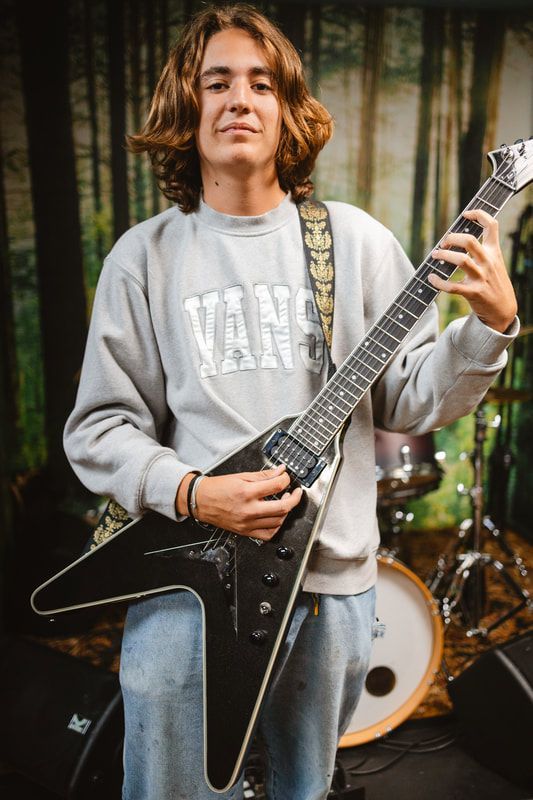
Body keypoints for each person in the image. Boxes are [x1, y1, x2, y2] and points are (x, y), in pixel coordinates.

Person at [63, 4, 518, 799]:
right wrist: (195, 492)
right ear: (186, 107)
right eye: (216, 82)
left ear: (287, 111)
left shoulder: (355, 241)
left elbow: (408, 397)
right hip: (187, 581)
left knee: (304, 786)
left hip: (329, 581)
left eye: (260, 83)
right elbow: (100, 428)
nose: (239, 99)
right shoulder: (145, 258)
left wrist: (490, 327)